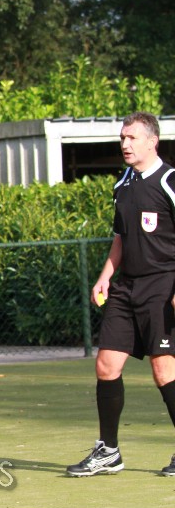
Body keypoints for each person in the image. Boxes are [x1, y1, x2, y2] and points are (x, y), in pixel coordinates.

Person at [67, 112, 175, 478]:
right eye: (122, 138)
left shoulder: (170, 181)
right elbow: (121, 238)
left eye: (132, 138)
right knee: (106, 366)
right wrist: (105, 277)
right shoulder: (123, 184)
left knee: (164, 371)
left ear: (152, 141)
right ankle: (109, 451)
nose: (125, 144)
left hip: (162, 287)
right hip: (126, 288)